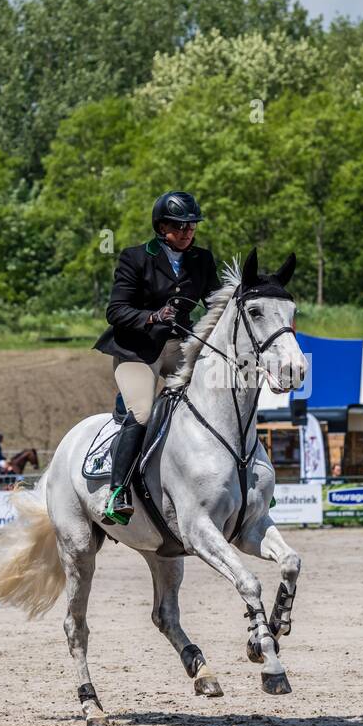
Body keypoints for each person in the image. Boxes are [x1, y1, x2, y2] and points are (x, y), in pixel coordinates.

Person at [93, 191, 220, 525]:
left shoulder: (202, 260)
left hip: (180, 346)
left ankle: (246, 475)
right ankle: (117, 491)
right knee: (143, 411)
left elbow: (216, 305)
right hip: (138, 350)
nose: (187, 232)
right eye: (180, 226)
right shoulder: (135, 258)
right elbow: (116, 310)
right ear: (161, 226)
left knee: (222, 396)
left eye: (191, 226)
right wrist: (152, 316)